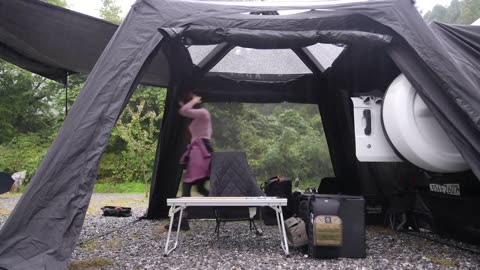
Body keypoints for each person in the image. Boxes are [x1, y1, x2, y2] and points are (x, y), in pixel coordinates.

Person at [178, 93, 213, 197]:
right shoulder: (196, 118)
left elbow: (183, 111)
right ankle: (216, 207)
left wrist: (194, 100)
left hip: (201, 151)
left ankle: (186, 211)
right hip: (197, 150)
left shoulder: (203, 113)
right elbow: (184, 110)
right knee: (200, 187)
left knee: (188, 182)